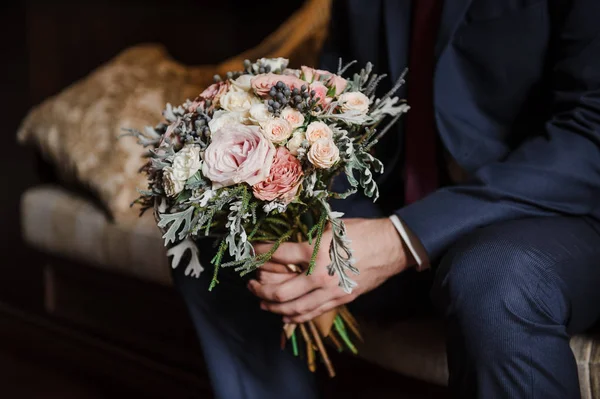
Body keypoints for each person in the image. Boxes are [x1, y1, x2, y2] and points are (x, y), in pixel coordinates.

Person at [172, 1, 600, 398]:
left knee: (495, 275)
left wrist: (401, 239)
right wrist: (310, 227)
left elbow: (589, 136)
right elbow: (339, 111)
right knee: (225, 235)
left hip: (562, 211)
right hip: (400, 200)